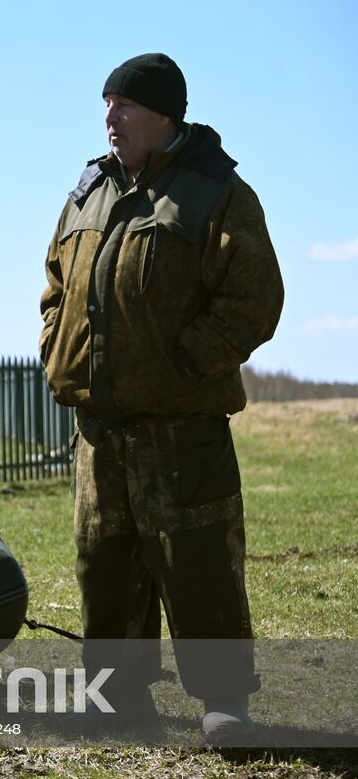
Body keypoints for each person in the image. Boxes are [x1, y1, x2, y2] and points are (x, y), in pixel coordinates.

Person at [38, 53, 283, 743]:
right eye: (106, 104)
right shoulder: (89, 191)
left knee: (199, 558)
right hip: (100, 424)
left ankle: (224, 699)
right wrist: (59, 343)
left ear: (164, 116)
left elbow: (254, 298)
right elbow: (56, 282)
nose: (110, 117)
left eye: (126, 106)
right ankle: (117, 697)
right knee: (104, 564)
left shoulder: (215, 191)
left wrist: (187, 361)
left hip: (183, 425)